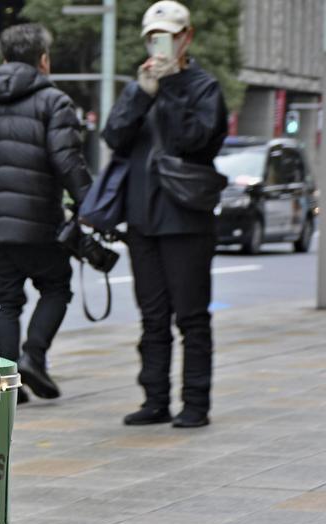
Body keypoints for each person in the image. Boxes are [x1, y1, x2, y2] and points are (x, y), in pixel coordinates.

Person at [0, 23, 91, 403]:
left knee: (6, 301)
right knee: (56, 287)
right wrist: (90, 205)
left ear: (5, 58)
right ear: (43, 60)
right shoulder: (54, 102)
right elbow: (68, 161)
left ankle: (8, 382)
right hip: (41, 223)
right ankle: (34, 358)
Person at [102, 1, 227, 428]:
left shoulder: (203, 87)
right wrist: (143, 93)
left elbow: (196, 140)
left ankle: (195, 403)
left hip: (186, 217)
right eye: (155, 37)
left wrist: (170, 88)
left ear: (186, 37)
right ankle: (155, 399)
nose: (162, 45)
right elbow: (114, 136)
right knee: (152, 317)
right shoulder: (141, 85)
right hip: (142, 219)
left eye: (170, 36)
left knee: (191, 316)